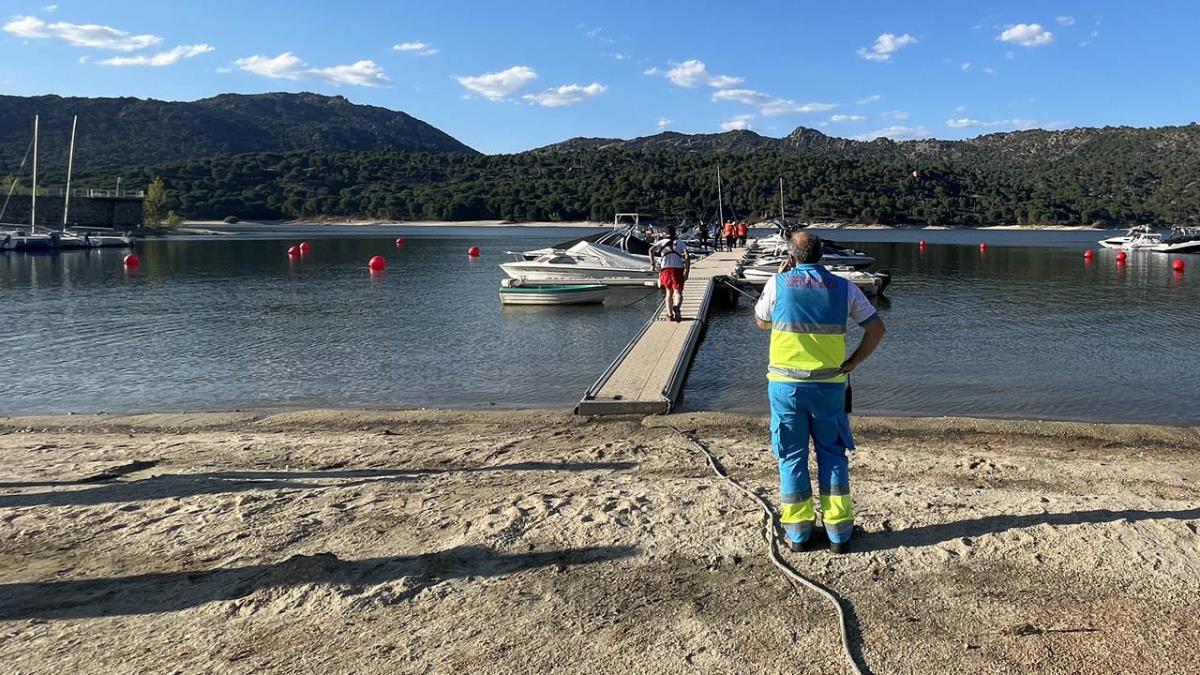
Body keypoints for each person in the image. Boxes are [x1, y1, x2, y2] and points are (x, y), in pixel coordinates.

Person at [753, 232, 886, 554]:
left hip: (785, 386)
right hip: (829, 386)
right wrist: (852, 362)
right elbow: (876, 329)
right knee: (832, 454)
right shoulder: (845, 288)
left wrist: (785, 282)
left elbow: (761, 322)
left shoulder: (777, 283)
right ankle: (839, 533)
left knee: (792, 456)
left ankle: (799, 534)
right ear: (821, 255)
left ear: (792, 256)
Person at [649, 225, 690, 322]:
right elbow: (687, 256)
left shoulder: (661, 242)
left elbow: (651, 250)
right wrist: (687, 271)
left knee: (669, 293)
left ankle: (670, 314)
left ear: (665, 233)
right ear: (674, 232)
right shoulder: (680, 243)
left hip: (665, 269)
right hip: (678, 269)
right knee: (678, 292)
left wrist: (653, 264)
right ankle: (677, 307)